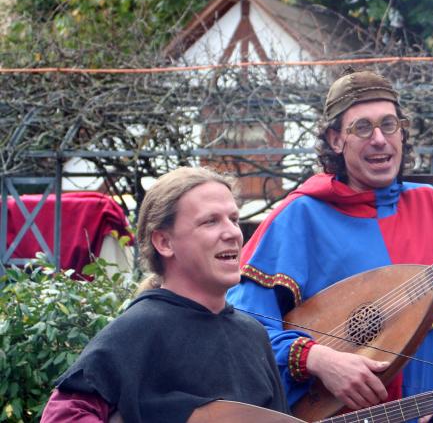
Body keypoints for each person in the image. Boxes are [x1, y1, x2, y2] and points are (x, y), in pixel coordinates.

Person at [227, 70, 433, 422]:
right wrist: (316, 358)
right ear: (335, 140)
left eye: (389, 125)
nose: (379, 139)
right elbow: (241, 327)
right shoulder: (299, 216)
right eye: (362, 128)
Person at [41, 167, 288, 423]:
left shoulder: (253, 334)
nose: (233, 233)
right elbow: (62, 416)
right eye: (210, 221)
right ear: (164, 242)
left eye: (234, 219)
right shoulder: (139, 327)